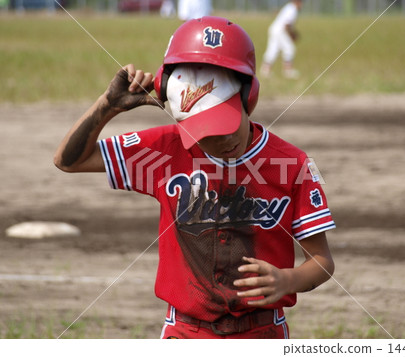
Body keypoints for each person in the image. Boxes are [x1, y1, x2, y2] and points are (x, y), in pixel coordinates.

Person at [54, 16, 335, 339]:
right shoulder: (165, 149)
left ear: (248, 97)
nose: (221, 140)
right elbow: (68, 161)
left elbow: (322, 261)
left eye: (225, 124)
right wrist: (107, 106)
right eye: (204, 133)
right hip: (185, 332)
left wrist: (289, 280)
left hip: (263, 332)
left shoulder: (291, 163)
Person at [261, 0, 303, 79]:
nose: (301, 5)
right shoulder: (292, 9)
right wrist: (293, 35)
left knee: (273, 49)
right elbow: (286, 25)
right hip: (280, 31)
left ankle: (265, 70)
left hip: (274, 29)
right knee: (289, 48)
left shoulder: (289, 7)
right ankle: (288, 71)